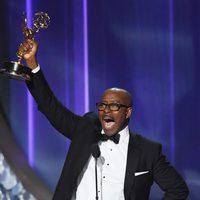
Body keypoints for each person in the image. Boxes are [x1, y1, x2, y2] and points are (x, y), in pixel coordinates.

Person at [19, 39, 189, 200]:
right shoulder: (86, 129)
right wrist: (32, 64)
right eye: (102, 105)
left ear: (128, 112)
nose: (106, 110)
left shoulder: (147, 151)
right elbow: (51, 107)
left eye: (114, 106)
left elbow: (178, 189)